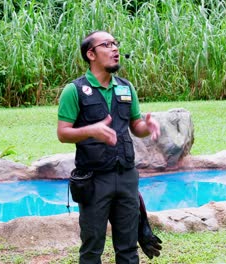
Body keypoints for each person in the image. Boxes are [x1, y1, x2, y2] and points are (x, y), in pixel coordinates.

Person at [57, 30, 161, 264]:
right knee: (92, 246)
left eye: (116, 44)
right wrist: (91, 130)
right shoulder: (74, 90)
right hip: (93, 179)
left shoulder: (126, 87)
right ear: (91, 54)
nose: (115, 49)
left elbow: (135, 125)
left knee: (128, 247)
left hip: (126, 176)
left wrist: (147, 126)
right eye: (107, 45)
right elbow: (63, 133)